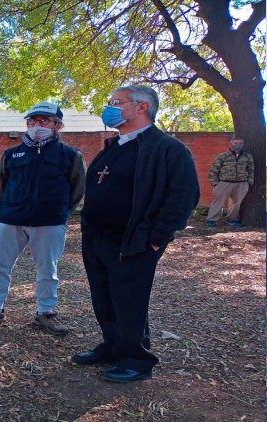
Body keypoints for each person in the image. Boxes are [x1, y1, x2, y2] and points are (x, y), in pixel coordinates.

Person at [73, 85, 200, 383]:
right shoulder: (113, 147)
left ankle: (137, 359)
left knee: (129, 299)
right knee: (103, 297)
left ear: (141, 107)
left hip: (136, 241)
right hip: (98, 238)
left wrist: (157, 237)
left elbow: (184, 196)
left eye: (116, 102)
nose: (110, 108)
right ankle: (114, 346)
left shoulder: (168, 148)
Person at [0, 102, 86, 336]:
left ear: (58, 125)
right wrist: (11, 206)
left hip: (50, 222)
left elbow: (77, 189)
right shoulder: (10, 154)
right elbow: (3, 184)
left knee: (48, 269)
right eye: (32, 121)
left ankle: (46, 312)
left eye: (44, 120)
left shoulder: (70, 155)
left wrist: (60, 212)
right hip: (9, 219)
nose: (37, 125)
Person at [205, 138, 254, 228]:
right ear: (231, 143)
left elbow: (251, 169)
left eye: (240, 143)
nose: (238, 144)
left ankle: (231, 220)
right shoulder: (223, 156)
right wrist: (215, 183)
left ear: (243, 144)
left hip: (241, 183)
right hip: (224, 183)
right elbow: (214, 169)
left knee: (236, 203)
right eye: (235, 142)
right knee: (218, 201)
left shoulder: (247, 156)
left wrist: (249, 182)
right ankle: (211, 220)